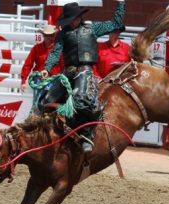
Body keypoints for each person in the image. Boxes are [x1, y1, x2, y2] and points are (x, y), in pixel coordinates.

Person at [43, 0, 125, 153]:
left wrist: (120, 4)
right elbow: (55, 52)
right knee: (47, 99)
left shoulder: (92, 28)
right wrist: (47, 69)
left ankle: (86, 135)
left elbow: (116, 23)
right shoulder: (62, 34)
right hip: (67, 72)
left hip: (85, 71)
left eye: (72, 19)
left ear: (78, 18)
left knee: (81, 99)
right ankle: (42, 135)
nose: (71, 23)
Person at [20, 24, 63, 111]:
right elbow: (28, 64)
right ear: (43, 35)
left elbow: (63, 66)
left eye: (50, 35)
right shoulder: (37, 48)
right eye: (46, 35)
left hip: (54, 79)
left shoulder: (58, 50)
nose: (48, 37)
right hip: (39, 79)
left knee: (51, 102)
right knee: (38, 103)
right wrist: (23, 80)